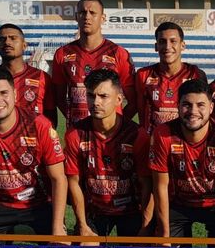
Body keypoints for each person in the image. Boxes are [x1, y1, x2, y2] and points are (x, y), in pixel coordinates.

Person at [0, 67, 67, 235]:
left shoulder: (39, 125)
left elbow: (58, 179)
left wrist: (58, 227)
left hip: (38, 203)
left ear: (15, 94)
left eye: (3, 93)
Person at [148, 78, 215, 239]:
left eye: (200, 105)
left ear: (211, 107)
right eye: (187, 105)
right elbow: (160, 187)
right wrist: (164, 235)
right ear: (177, 106)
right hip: (178, 203)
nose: (193, 111)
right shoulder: (163, 134)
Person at [65, 69, 152, 237]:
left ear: (119, 99)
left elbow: (147, 184)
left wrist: (146, 225)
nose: (96, 102)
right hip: (95, 210)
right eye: (91, 95)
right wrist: (82, 225)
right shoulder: (75, 134)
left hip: (131, 211)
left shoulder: (137, 135)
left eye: (103, 96)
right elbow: (73, 182)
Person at [51, 0, 136, 126]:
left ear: (103, 18)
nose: (87, 17)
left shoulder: (119, 54)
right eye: (82, 12)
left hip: (110, 135)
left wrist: (117, 122)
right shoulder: (62, 54)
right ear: (76, 17)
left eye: (92, 13)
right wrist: (76, 120)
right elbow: (59, 98)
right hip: (78, 132)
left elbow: (133, 101)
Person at [133, 22, 206, 133]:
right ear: (156, 46)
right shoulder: (143, 75)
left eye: (173, 41)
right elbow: (141, 115)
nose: (167, 47)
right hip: (154, 142)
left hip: (184, 142)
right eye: (162, 41)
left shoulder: (196, 74)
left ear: (182, 45)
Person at [0, 23, 53, 121]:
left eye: (13, 38)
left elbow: (51, 118)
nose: (7, 42)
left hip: (34, 135)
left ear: (24, 45)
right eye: (2, 39)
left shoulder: (42, 77)